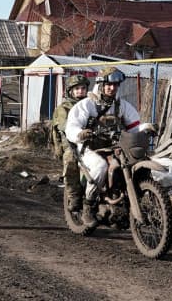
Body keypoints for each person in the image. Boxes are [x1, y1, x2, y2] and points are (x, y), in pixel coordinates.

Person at [65, 67, 142, 228]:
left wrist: (146, 129)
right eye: (108, 84)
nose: (112, 88)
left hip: (113, 147)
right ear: (100, 84)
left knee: (133, 164)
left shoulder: (122, 105)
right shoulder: (87, 104)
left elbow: (135, 126)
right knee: (100, 167)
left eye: (115, 85)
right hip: (88, 148)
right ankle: (88, 206)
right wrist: (81, 134)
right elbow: (71, 127)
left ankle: (126, 203)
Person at [51, 74, 90, 212]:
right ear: (70, 91)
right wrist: (79, 131)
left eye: (83, 88)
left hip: (91, 140)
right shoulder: (64, 107)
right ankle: (74, 196)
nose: (80, 91)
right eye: (77, 89)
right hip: (71, 143)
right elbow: (64, 126)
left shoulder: (91, 104)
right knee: (71, 161)